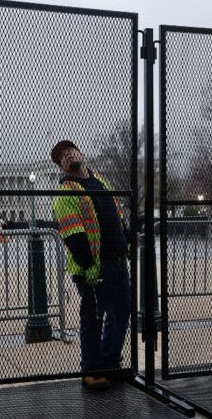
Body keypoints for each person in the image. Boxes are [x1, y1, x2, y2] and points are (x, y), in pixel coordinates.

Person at [50, 140, 131, 391]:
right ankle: (90, 369)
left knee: (121, 314)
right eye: (63, 156)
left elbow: (117, 219)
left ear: (82, 154)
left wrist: (125, 242)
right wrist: (88, 266)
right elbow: (74, 236)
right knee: (93, 319)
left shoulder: (102, 183)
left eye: (72, 150)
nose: (69, 154)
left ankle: (109, 363)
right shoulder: (66, 193)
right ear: (61, 167)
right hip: (93, 268)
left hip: (117, 262)